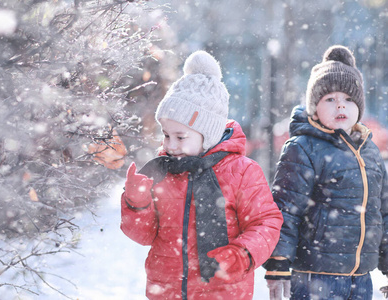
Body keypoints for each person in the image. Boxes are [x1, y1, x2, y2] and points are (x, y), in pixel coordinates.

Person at [120, 50, 283, 300]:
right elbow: (145, 236)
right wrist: (136, 203)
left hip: (223, 290)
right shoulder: (162, 172)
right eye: (166, 135)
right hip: (166, 291)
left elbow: (266, 223)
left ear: (208, 132)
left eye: (180, 136)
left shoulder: (242, 171)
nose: (170, 145)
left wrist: (242, 253)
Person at [263, 45, 388, 300]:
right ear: (314, 108)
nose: (340, 105)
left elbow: (382, 213)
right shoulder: (303, 148)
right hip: (315, 275)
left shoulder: (370, 152)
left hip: (361, 277)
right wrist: (278, 261)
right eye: (330, 99)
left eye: (349, 99)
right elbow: (286, 209)